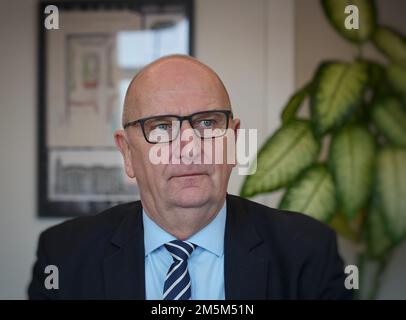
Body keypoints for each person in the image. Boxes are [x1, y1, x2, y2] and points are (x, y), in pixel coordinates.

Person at [28, 55, 351, 299]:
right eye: (161, 127)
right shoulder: (64, 256)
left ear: (233, 139)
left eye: (207, 123)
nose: (189, 147)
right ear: (127, 153)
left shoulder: (309, 251)